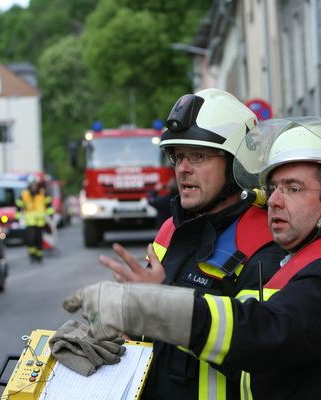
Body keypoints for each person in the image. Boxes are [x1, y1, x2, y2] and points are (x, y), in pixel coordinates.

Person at [65, 116, 321, 399]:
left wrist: (151, 308)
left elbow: (262, 331)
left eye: (293, 188)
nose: (274, 201)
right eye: (273, 188)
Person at [96, 88, 284, 400]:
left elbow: (260, 349)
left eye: (198, 156)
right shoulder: (171, 230)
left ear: (239, 164)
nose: (182, 168)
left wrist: (163, 306)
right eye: (178, 156)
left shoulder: (266, 243)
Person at [16, 174, 54, 263]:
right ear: (29, 185)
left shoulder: (43, 193)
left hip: (40, 221)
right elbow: (18, 206)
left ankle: (39, 255)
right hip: (30, 222)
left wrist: (50, 216)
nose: (34, 187)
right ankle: (32, 254)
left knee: (39, 239)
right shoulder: (24, 194)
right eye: (32, 185)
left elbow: (48, 206)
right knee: (31, 239)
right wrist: (17, 218)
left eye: (35, 185)